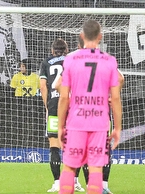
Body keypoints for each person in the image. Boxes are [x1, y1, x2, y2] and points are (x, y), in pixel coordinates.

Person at [56, 20, 122, 194]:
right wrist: (117, 127)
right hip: (99, 123)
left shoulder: (70, 60)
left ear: (82, 36)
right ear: (100, 37)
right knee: (95, 169)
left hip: (76, 122)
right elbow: (115, 98)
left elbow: (63, 97)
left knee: (69, 167)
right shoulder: (109, 61)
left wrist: (61, 126)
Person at [39, 39, 78, 193]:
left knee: (54, 144)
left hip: (54, 105)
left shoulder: (46, 62)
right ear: (66, 50)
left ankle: (56, 182)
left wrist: (47, 106)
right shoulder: (72, 61)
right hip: (72, 104)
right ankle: (74, 181)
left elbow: (43, 86)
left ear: (52, 50)